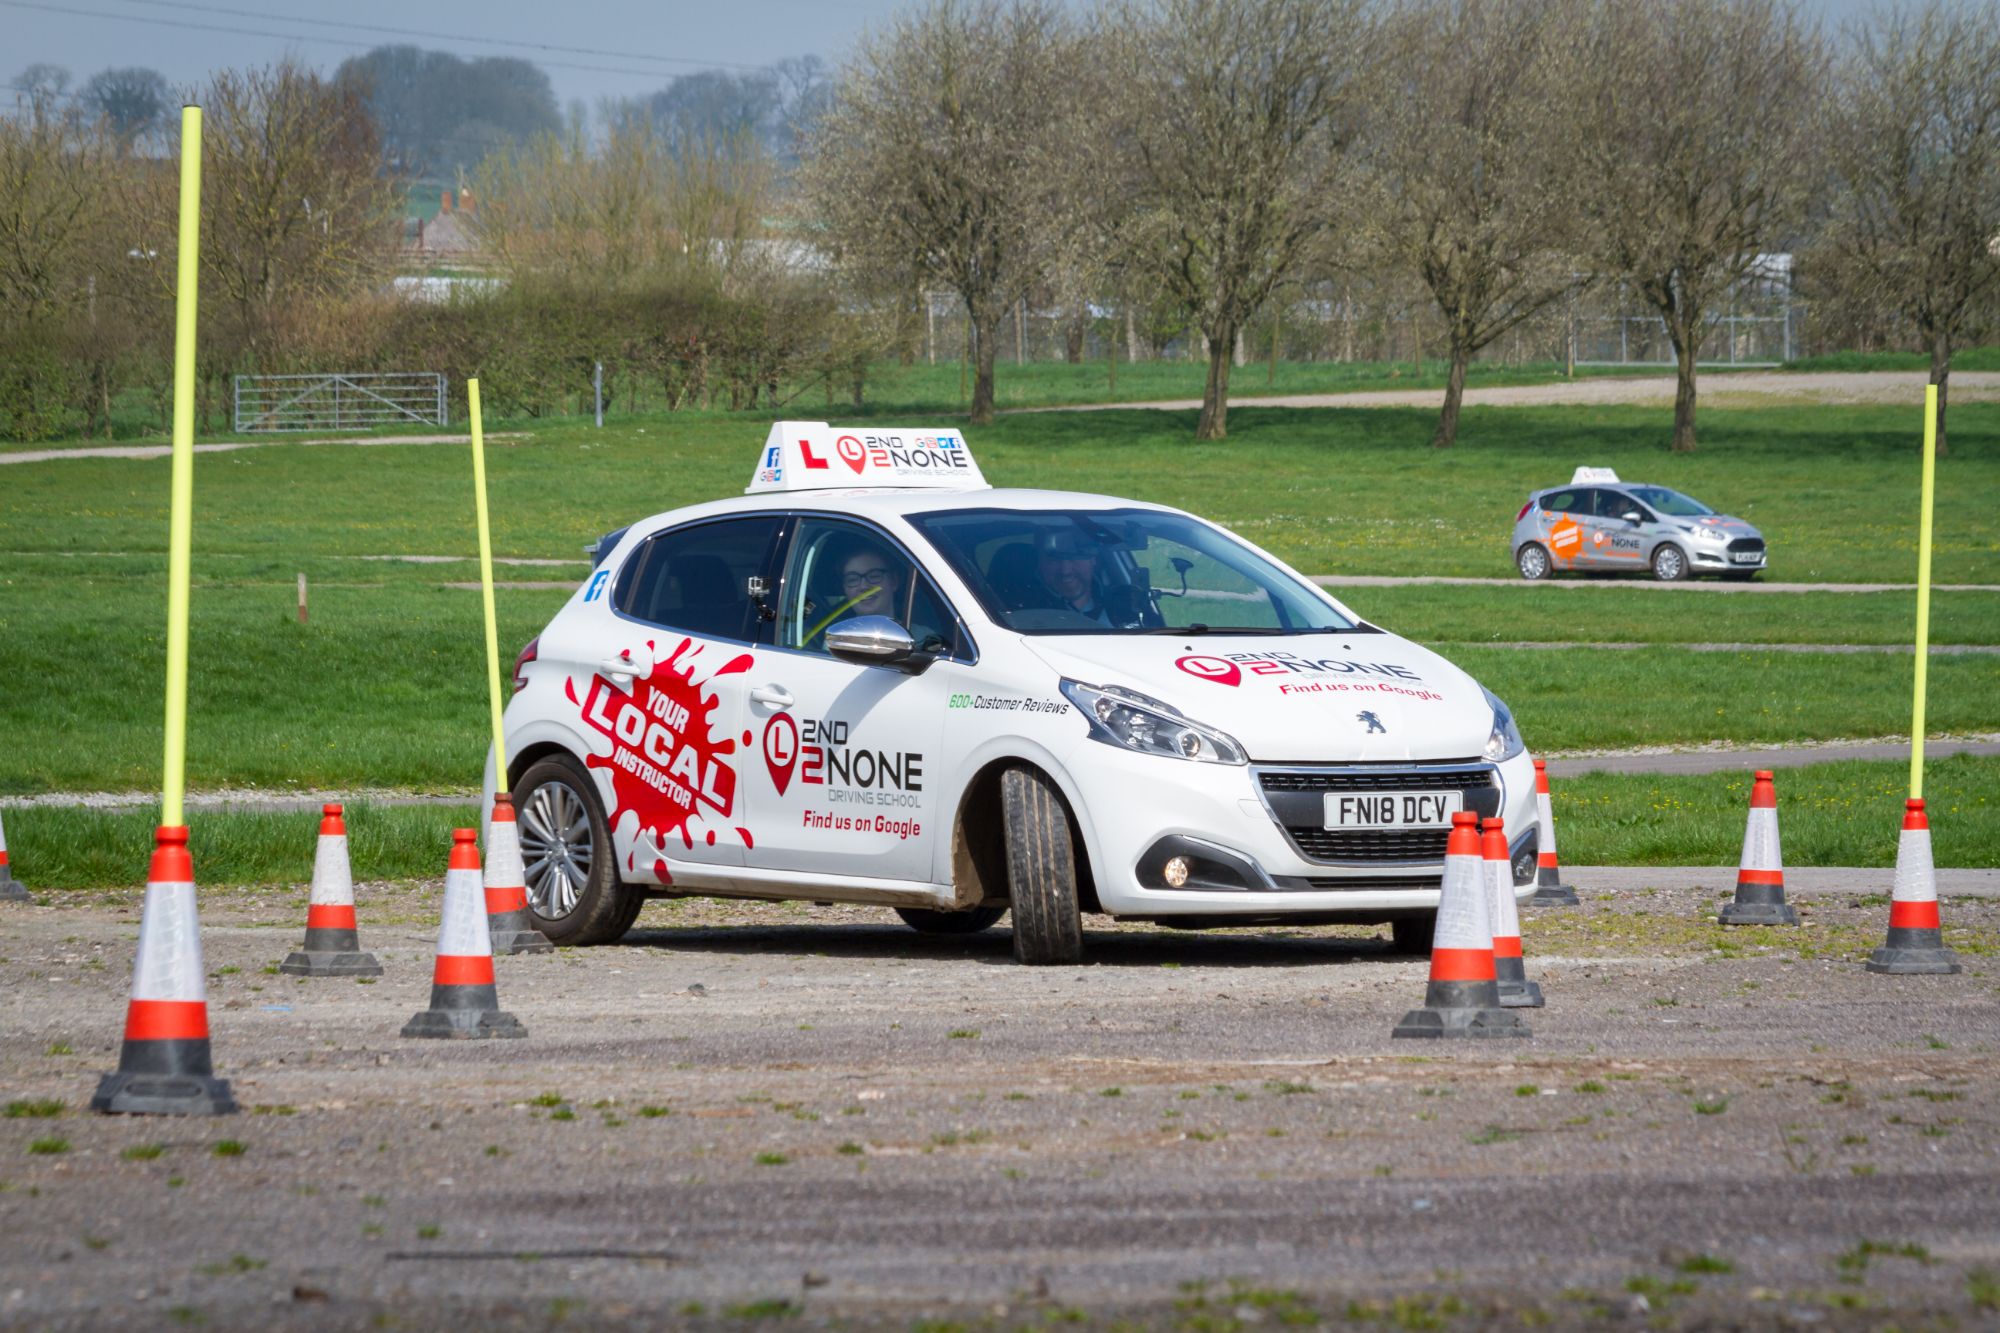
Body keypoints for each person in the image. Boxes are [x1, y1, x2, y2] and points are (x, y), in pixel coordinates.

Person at [1036, 530, 1110, 624]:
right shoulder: (1021, 616)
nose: (1065, 571)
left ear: (1093, 559)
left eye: (1074, 557)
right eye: (1054, 560)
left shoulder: (1120, 606)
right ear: (1040, 564)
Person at [839, 546, 904, 622]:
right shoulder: (831, 633)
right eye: (853, 579)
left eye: (874, 576)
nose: (864, 586)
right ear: (844, 589)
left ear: (894, 581)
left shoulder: (919, 634)